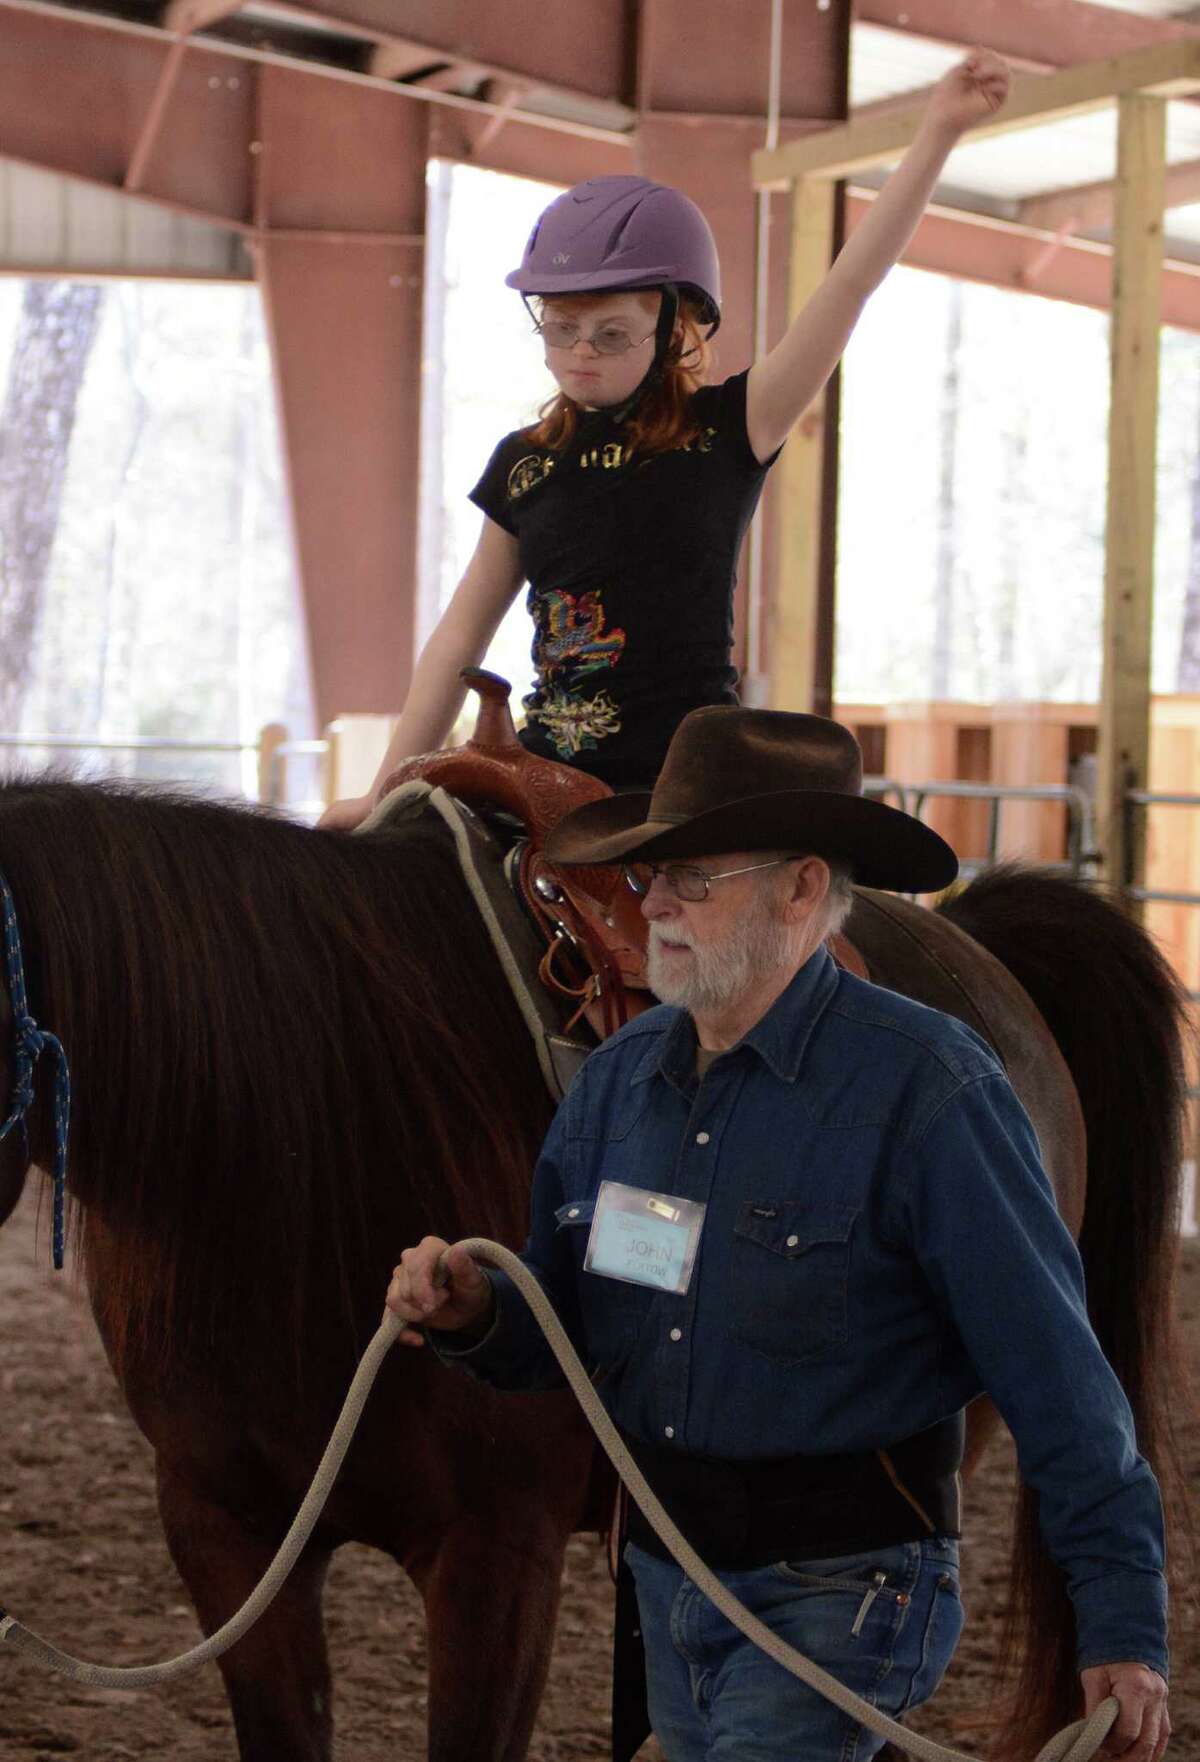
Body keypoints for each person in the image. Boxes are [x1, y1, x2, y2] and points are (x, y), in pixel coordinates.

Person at [385, 706, 1171, 1762]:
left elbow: (1058, 1376)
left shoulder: (929, 1091)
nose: (652, 904)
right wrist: (479, 1311)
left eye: (692, 878)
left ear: (801, 889)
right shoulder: (617, 1086)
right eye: (651, 874)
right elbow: (571, 1322)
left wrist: (1121, 1624)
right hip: (670, 1582)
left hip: (847, 1593)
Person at [321, 51, 1011, 826]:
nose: (581, 352)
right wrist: (385, 792)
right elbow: (458, 640)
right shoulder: (524, 464)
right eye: (561, 329)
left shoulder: (731, 427)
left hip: (688, 786)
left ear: (676, 330)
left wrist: (938, 132)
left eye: (612, 333)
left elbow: (850, 285)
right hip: (546, 778)